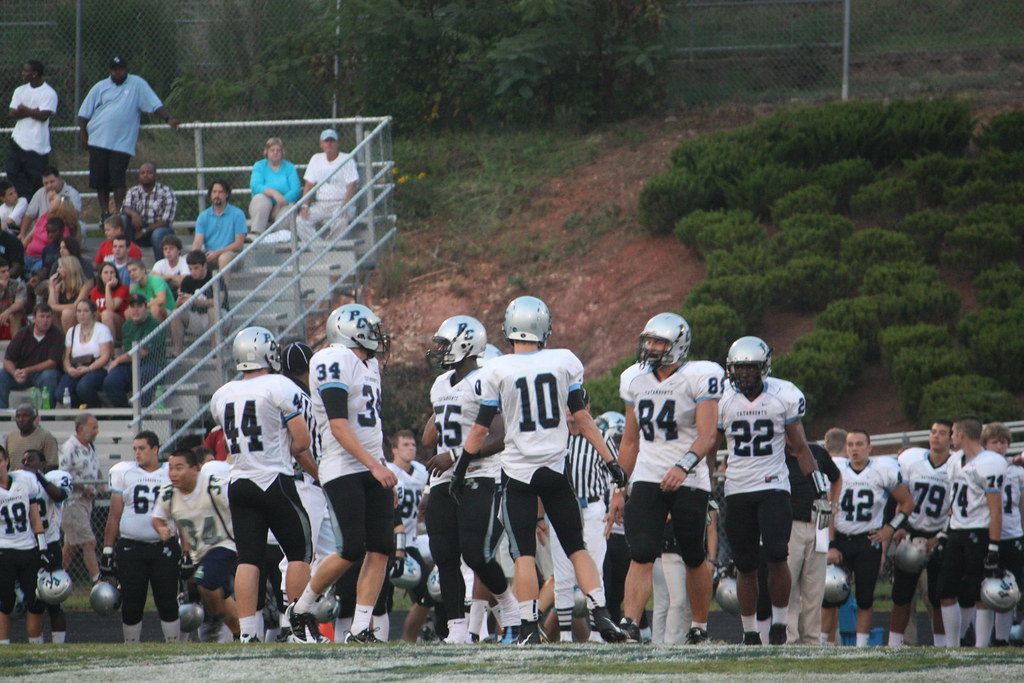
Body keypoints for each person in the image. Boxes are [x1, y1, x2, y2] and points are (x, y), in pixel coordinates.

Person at [459, 296, 626, 644]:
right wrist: (611, 461)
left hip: (519, 474)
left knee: (524, 554)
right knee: (577, 547)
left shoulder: (497, 368)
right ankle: (602, 613)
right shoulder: (564, 360)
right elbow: (582, 417)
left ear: (509, 328)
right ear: (544, 328)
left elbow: (479, 429)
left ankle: (528, 627)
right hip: (555, 470)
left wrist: (460, 468)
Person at [610, 313, 722, 645]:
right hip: (647, 474)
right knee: (641, 550)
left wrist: (683, 466)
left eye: (659, 342)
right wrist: (620, 488)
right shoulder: (634, 378)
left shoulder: (701, 376)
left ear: (678, 345)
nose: (651, 348)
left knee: (692, 554)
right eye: (649, 341)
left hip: (689, 476)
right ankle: (630, 623)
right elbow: (630, 441)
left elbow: (708, 435)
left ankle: (700, 624)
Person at [290, 304, 396, 644]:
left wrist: (382, 465)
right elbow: (337, 425)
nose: (378, 336)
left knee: (381, 547)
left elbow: (371, 425)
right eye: (371, 328)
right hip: (342, 466)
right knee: (352, 547)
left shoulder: (370, 364)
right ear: (351, 329)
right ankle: (301, 608)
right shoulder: (330, 358)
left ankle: (361, 628)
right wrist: (374, 465)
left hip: (370, 464)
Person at [716, 336, 832, 646]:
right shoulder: (722, 398)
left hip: (774, 486)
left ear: (764, 368)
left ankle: (780, 624)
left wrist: (821, 488)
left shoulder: (784, 395)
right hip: (738, 488)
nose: (744, 376)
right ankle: (750, 631)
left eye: (750, 369)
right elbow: (710, 446)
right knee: (745, 564)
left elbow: (799, 447)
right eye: (739, 369)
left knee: (778, 554)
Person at [211, 327, 318, 643]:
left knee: (248, 559)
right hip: (274, 480)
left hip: (240, 482)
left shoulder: (222, 394)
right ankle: (296, 627)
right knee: (300, 551)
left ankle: (247, 633)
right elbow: (302, 441)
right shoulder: (279, 385)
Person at [422, 315, 521, 644]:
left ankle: (508, 605)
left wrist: (455, 456)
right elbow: (429, 438)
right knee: (444, 554)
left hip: (479, 474)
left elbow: (500, 436)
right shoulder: (440, 385)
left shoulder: (484, 379)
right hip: (442, 481)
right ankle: (457, 629)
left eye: (444, 345)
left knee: (475, 552)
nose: (439, 350)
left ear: (465, 344)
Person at [829, 429, 914, 646]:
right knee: (829, 596)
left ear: (869, 448)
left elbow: (907, 503)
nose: (854, 449)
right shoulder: (837, 469)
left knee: (865, 598)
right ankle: (825, 643)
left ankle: (861, 646)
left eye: (859, 444)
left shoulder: (881, 470)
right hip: (839, 539)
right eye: (850, 445)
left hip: (868, 541)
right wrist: (829, 543)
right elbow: (828, 508)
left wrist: (890, 528)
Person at [152, 448, 240, 641]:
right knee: (222, 596)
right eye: (171, 468)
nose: (173, 473)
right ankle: (241, 633)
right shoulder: (169, 493)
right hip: (198, 551)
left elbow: (238, 505)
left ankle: (215, 620)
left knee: (204, 582)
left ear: (195, 469)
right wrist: (161, 529)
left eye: (179, 468)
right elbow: (157, 517)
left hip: (224, 543)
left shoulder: (214, 486)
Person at [937, 415, 1009, 648]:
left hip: (978, 532)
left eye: (952, 433)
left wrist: (994, 546)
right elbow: (953, 503)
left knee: (981, 593)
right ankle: (952, 645)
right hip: (957, 531)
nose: (950, 438)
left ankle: (981, 646)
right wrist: (945, 532)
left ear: (961, 434)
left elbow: (996, 510)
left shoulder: (990, 462)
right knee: (946, 590)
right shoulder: (954, 460)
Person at [102, 431, 181, 642]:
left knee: (167, 600)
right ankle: (131, 647)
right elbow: (114, 515)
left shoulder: (169, 472)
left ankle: (173, 647)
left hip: (163, 546)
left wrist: (186, 548)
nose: (137, 453)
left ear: (155, 449)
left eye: (142, 448)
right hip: (131, 547)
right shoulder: (124, 472)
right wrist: (108, 549)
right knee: (132, 600)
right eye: (135, 449)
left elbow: (181, 512)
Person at [77, 57, 179, 218]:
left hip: (122, 142)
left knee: (118, 179)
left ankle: (119, 213)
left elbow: (154, 104)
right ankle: (105, 213)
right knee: (100, 179)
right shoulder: (100, 87)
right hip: (98, 139)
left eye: (121, 69)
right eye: (114, 69)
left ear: (126, 69)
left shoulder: (137, 84)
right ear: (110, 71)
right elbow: (84, 113)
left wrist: (168, 118)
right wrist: (83, 134)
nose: (118, 72)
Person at [887, 420, 955, 647]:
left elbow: (956, 509)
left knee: (939, 596)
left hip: (940, 532)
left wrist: (940, 537)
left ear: (951, 438)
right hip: (913, 529)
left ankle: (941, 645)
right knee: (901, 595)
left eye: (942, 433)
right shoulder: (911, 460)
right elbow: (902, 499)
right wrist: (901, 527)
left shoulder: (956, 465)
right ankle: (894, 644)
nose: (936, 437)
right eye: (933, 432)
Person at [785, 440, 841, 645]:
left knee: (814, 588)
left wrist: (833, 505)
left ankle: (811, 639)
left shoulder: (816, 451)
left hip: (818, 523)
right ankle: (789, 638)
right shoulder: (776, 453)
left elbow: (836, 477)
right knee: (788, 584)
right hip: (790, 524)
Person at [0, 444, 51, 645]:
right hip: (3, 550)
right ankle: (3, 646)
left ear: (6, 461)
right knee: (5, 603)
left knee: (36, 601)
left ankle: (35, 644)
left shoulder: (25, 480)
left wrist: (42, 545)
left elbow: (34, 515)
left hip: (28, 548)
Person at [20, 447, 72, 643]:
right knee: (34, 602)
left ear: (43, 464)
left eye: (31, 460)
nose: (27, 464)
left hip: (49, 545)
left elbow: (59, 495)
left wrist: (39, 476)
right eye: (24, 461)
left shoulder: (55, 478)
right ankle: (36, 645)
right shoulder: (18, 483)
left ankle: (59, 644)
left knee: (54, 600)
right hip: (27, 546)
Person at [385, 429, 430, 642]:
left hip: (411, 540)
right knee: (383, 599)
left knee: (427, 594)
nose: (411, 448)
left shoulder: (421, 471)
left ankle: (408, 639)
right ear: (394, 449)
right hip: (387, 540)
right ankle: (374, 637)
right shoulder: (388, 471)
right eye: (405, 444)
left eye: (413, 444)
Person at [980, 422, 1023, 646]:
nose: (999, 446)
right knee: (986, 588)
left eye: (1003, 442)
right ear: (985, 445)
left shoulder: (1017, 471)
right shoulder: (981, 468)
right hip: (988, 534)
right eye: (994, 442)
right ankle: (982, 639)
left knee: (1010, 589)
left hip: (1013, 534)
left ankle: (1002, 638)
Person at [6, 60, 58, 201]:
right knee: (12, 172)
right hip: (18, 140)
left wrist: (25, 109)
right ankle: (25, 200)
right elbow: (12, 113)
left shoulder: (48, 93)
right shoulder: (20, 90)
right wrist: (33, 111)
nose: (23, 73)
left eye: (26, 70)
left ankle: (34, 207)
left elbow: (43, 115)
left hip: (37, 145)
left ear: (34, 74)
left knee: (36, 180)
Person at [296, 129, 359, 243]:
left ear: (337, 143)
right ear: (321, 144)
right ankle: (319, 250)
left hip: (341, 203)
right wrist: (305, 206)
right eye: (326, 141)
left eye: (332, 141)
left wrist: (344, 205)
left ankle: (329, 249)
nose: (329, 144)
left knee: (341, 220)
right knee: (300, 220)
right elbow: (309, 184)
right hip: (322, 204)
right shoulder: (316, 159)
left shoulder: (346, 159)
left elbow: (352, 184)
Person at [59, 413, 101, 582]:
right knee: (89, 542)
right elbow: (62, 475)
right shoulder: (70, 447)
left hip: (86, 503)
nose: (97, 431)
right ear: (81, 429)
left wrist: (100, 482)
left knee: (71, 547)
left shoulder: (89, 447)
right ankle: (98, 580)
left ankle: (54, 578)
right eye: (94, 427)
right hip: (73, 502)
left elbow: (94, 468)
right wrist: (83, 488)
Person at [103, 294, 166, 409]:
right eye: (132, 306)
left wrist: (118, 360)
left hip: (152, 364)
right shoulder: (127, 325)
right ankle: (125, 413)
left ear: (146, 308)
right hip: (130, 364)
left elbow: (141, 352)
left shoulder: (155, 325)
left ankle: (142, 411)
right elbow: (126, 348)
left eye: (139, 306)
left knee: (142, 375)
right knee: (110, 381)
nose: (135, 310)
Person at [0, 302, 63, 410]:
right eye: (42, 316)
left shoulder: (57, 335)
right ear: (34, 318)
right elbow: (7, 360)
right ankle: (2, 413)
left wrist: (27, 370)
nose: (45, 320)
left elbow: (52, 363)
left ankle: (46, 414)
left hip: (42, 374)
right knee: (2, 374)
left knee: (50, 375)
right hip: (22, 374)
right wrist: (14, 373)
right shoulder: (22, 333)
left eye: (48, 317)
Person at [55, 300, 114, 408]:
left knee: (83, 387)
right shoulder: (71, 331)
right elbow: (67, 357)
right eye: (79, 311)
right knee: (60, 394)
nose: (81, 314)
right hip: (76, 367)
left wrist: (88, 369)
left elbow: (106, 356)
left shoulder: (102, 329)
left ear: (93, 313)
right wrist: (69, 369)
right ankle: (83, 407)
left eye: (85, 311)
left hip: (97, 368)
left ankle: (98, 409)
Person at [170, 250, 225, 357]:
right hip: (197, 318)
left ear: (204, 265)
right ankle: (177, 352)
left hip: (220, 317)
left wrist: (195, 300)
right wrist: (180, 302)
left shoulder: (215, 277)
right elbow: (179, 306)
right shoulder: (187, 280)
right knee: (176, 313)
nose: (193, 271)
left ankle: (215, 351)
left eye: (196, 268)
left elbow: (219, 301)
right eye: (190, 268)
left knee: (212, 310)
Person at [121, 163, 177, 258]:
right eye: (142, 173)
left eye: (149, 172)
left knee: (157, 234)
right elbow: (124, 208)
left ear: (155, 175)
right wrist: (134, 214)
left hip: (160, 231)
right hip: (137, 232)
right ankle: (129, 260)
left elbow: (166, 221)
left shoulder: (166, 191)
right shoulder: (133, 191)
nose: (145, 175)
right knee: (123, 218)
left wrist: (144, 231)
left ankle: (159, 268)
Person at [191, 180, 246, 273]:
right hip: (210, 255)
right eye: (214, 192)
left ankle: (223, 288)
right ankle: (198, 288)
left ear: (227, 194)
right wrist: (194, 256)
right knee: (189, 260)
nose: (217, 195)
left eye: (220, 192)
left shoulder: (238, 214)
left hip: (233, 256)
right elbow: (197, 241)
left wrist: (217, 253)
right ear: (210, 194)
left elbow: (238, 244)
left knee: (223, 258)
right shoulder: (203, 216)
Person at [249, 137, 300, 234]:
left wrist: (280, 203)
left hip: (283, 205)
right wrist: (274, 193)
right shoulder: (259, 166)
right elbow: (255, 186)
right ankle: (256, 235)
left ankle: (274, 240)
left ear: (282, 152)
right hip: (263, 205)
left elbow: (296, 190)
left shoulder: (289, 167)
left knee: (289, 211)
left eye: (278, 150)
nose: (275, 153)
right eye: (272, 150)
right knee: (261, 199)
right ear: (266, 152)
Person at [18, 167, 82, 239]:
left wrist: (56, 199)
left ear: (59, 179)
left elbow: (74, 215)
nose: (49, 186)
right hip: (43, 227)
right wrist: (22, 234)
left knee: (81, 226)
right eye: (46, 183)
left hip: (65, 226)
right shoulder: (40, 193)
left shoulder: (72, 193)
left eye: (52, 182)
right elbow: (29, 215)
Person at [23, 196, 78, 275]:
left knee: (33, 273)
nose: (50, 205)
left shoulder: (63, 228)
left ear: (58, 209)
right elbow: (31, 235)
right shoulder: (44, 217)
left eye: (52, 203)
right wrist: (22, 249)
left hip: (41, 259)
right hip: (28, 256)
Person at [47, 255, 91, 333]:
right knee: (53, 313)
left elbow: (76, 306)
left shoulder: (85, 286)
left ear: (69, 268)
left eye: (60, 267)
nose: (57, 270)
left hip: (80, 316)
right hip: (62, 319)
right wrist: (52, 287)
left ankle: (69, 340)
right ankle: (60, 338)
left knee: (67, 313)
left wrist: (53, 307)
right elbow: (50, 305)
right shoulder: (59, 286)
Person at [127, 258, 175, 323]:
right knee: (128, 312)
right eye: (129, 272)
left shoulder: (156, 280)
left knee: (155, 308)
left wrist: (143, 306)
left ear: (143, 270)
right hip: (147, 313)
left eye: (134, 270)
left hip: (170, 314)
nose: (132, 274)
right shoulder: (135, 289)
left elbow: (161, 299)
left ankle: (159, 332)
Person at [91, 262, 129, 339]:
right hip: (100, 322)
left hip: (119, 324)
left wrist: (107, 287)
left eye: (112, 272)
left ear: (116, 275)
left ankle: (110, 345)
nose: (109, 275)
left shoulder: (122, 288)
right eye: (106, 272)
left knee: (106, 314)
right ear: (100, 275)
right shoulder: (95, 290)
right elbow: (94, 311)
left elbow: (110, 308)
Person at [0, 258, 28, 340]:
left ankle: (15, 347)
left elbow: (20, 303)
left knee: (15, 314)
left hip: (12, 321)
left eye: (7, 271)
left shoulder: (18, 285)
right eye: (3, 272)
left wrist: (7, 312)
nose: (7, 274)